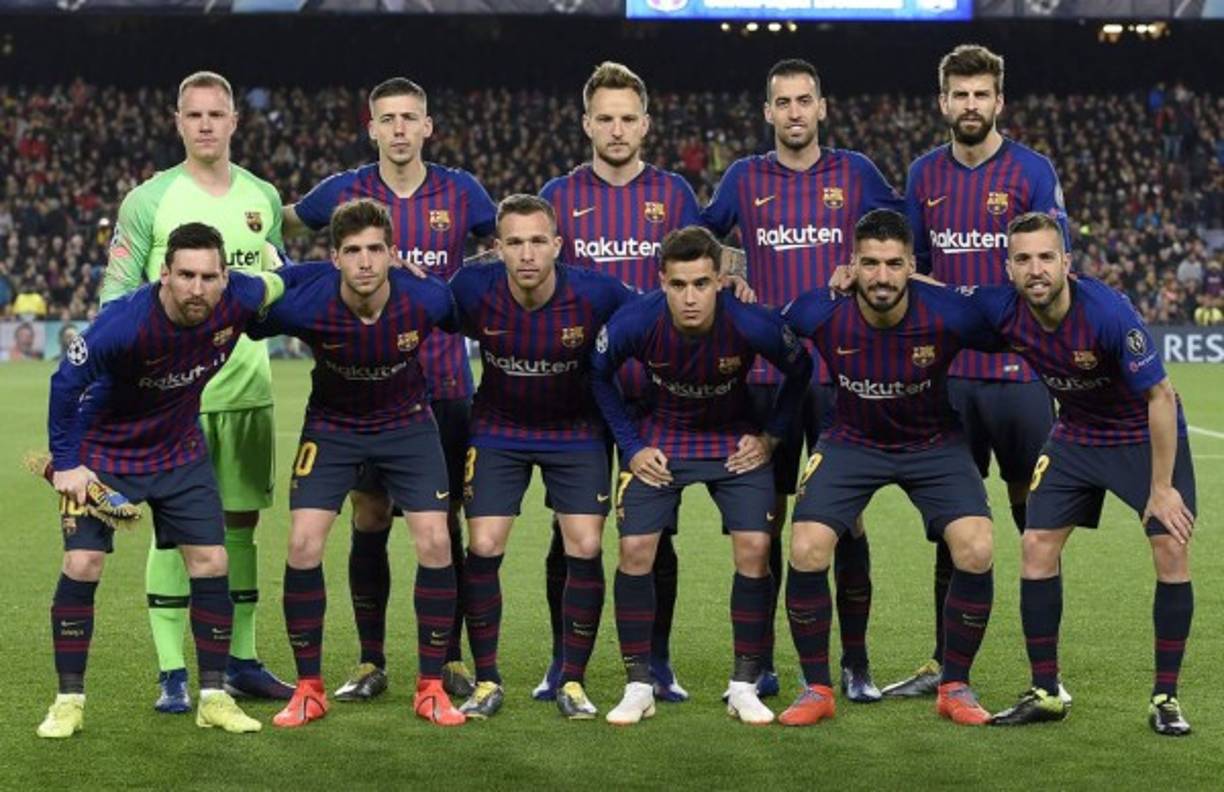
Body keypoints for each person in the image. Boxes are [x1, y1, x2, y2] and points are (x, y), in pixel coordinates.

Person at [283, 77, 496, 702]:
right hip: (362, 394)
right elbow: (284, 220)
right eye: (388, 119)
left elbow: (506, 240)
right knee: (369, 515)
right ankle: (369, 660)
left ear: (427, 126)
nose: (400, 129)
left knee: (443, 523)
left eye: (410, 118)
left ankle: (448, 656)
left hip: (445, 383)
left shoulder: (461, 191)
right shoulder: (343, 191)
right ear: (370, 127)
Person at [701, 58, 903, 700]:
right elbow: (699, 242)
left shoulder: (858, 173)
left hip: (843, 377)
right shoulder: (742, 177)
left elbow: (900, 237)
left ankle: (856, 663)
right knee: (766, 522)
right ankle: (760, 663)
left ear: (821, 108)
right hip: (765, 376)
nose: (793, 111)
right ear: (768, 113)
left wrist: (866, 274)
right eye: (782, 101)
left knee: (847, 520)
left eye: (804, 100)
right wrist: (728, 269)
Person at [37, 222, 282, 738]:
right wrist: (66, 463)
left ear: (224, 277)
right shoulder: (122, 325)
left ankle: (213, 696)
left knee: (212, 561)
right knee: (82, 563)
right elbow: (66, 381)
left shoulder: (241, 295)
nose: (197, 288)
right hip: (105, 451)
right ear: (164, 274)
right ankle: (68, 701)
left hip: (178, 451)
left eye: (208, 277)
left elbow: (297, 281)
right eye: (186, 275)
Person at [961, 212, 1196, 736]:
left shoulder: (1108, 314)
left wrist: (1161, 489)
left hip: (1142, 433)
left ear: (1067, 262)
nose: (1036, 269)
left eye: (1047, 257)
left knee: (1171, 546)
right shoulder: (1002, 308)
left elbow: (1160, 395)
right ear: (1010, 267)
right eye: (1023, 259)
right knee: (1036, 543)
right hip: (1077, 434)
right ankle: (1046, 691)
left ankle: (1166, 698)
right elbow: (935, 297)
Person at [100, 71, 292, 711]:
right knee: (170, 535)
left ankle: (241, 660)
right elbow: (115, 295)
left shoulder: (262, 196)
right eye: (194, 115)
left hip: (245, 392)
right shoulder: (148, 201)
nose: (206, 124)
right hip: (169, 403)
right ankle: (173, 671)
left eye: (217, 113)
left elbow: (274, 285)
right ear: (178, 122)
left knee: (240, 529)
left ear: (235, 120)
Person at [886, 44, 1070, 700]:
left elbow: (1050, 268)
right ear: (943, 102)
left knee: (1035, 527)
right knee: (956, 524)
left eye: (980, 94)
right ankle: (944, 665)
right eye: (959, 95)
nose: (970, 106)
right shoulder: (923, 175)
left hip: (1020, 379)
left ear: (999, 101)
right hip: (950, 381)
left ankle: (1045, 675)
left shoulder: (1031, 170)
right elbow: (911, 267)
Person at [247, 199, 466, 728]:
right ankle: (308, 689)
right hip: (333, 427)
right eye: (353, 251)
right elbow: (239, 312)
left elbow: (488, 308)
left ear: (393, 253)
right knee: (302, 543)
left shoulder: (428, 298)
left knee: (436, 540)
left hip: (408, 423)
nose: (365, 262)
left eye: (375, 250)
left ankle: (432, 687)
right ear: (335, 258)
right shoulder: (303, 304)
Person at [779, 209, 1002, 727]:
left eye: (894, 264)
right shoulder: (819, 311)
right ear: (851, 265)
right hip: (851, 440)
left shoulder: (947, 312)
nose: (882, 277)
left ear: (911, 267)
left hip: (933, 442)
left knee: (977, 546)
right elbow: (763, 333)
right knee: (807, 547)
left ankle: (955, 685)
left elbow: (1015, 326)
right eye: (871, 264)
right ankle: (816, 688)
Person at [591, 226, 812, 726]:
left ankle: (744, 685)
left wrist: (772, 437)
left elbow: (800, 370)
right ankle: (638, 685)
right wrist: (631, 448)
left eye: (701, 284)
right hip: (662, 438)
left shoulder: (753, 322)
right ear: (661, 282)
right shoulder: (635, 321)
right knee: (634, 550)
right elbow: (598, 374)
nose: (690, 297)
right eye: (678, 285)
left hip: (733, 441)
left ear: (720, 280)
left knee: (756, 547)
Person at [535, 61, 703, 703]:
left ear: (646, 124)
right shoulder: (559, 195)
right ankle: (561, 661)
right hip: (578, 389)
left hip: (658, 390)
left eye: (627, 117)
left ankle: (657, 662)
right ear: (586, 124)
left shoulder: (676, 195)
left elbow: (701, 280)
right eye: (604, 117)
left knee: (655, 531)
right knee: (569, 530)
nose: (616, 128)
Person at [448, 194, 635, 720]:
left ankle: (571, 681)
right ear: (497, 249)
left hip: (575, 431)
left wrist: (730, 275)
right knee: (483, 543)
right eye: (514, 243)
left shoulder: (597, 293)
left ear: (557, 245)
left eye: (537, 241)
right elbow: (422, 305)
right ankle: (487, 680)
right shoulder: (471, 288)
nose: (526, 254)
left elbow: (653, 311)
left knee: (586, 543)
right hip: (497, 429)